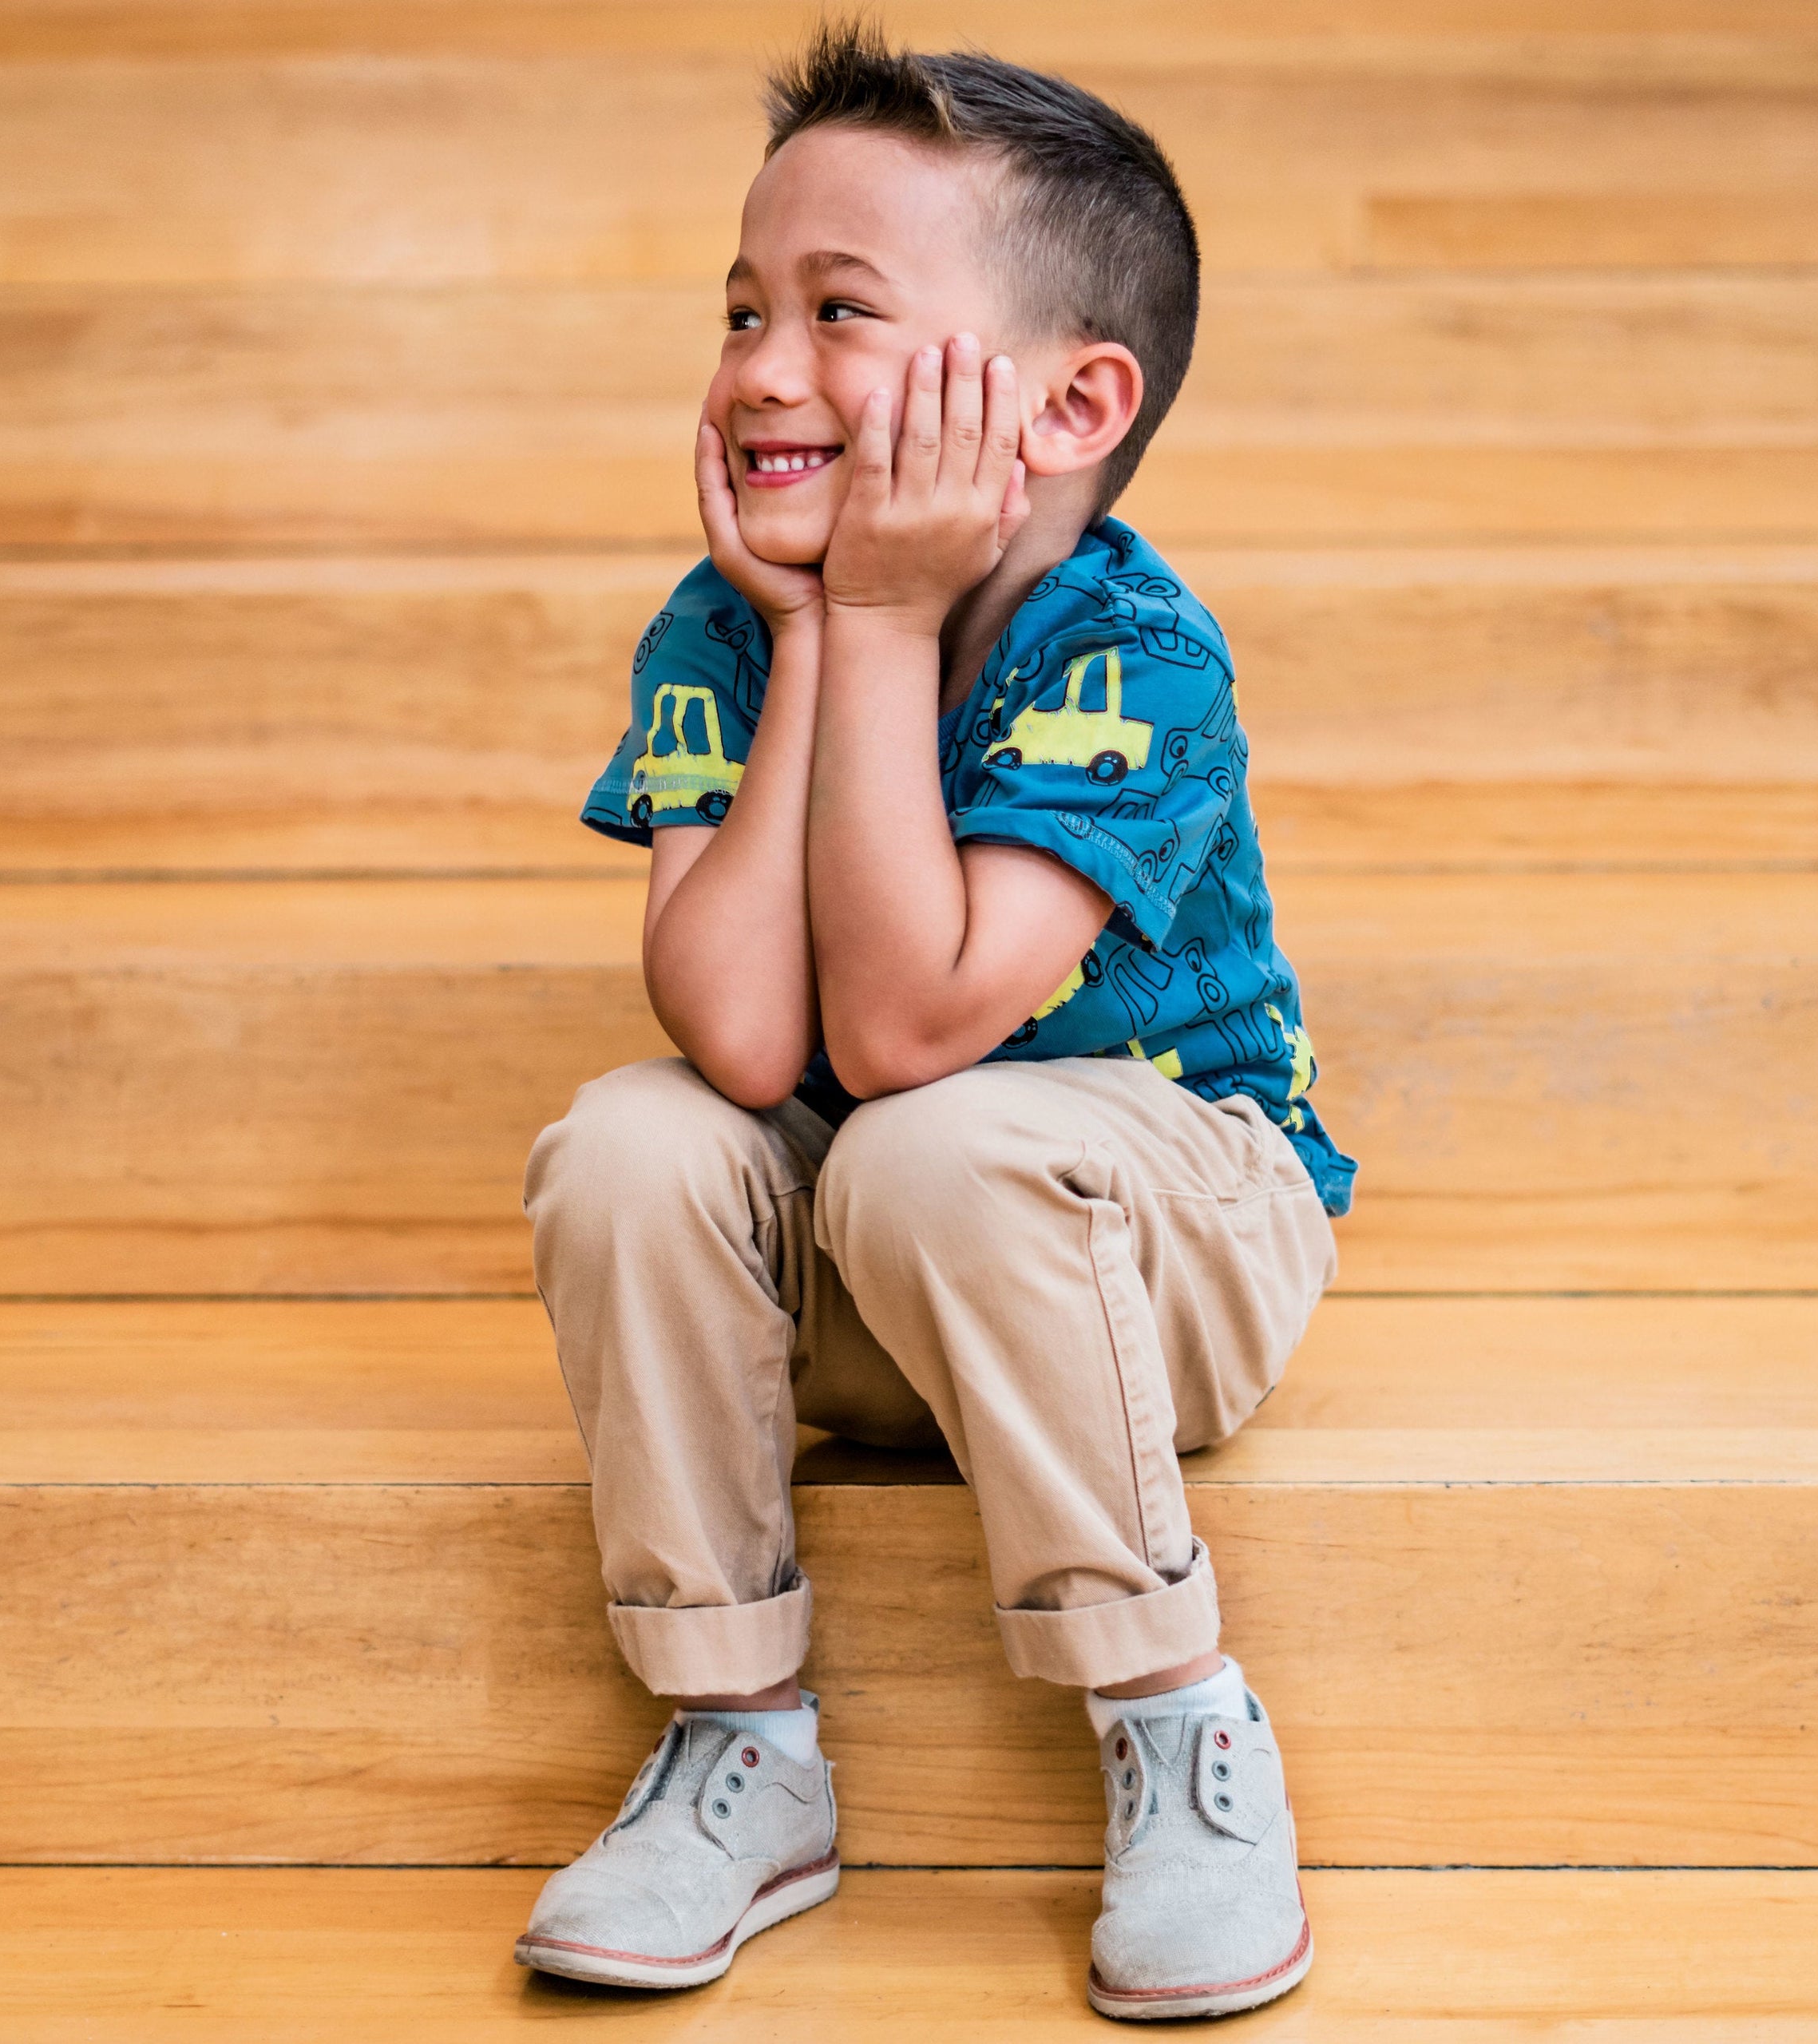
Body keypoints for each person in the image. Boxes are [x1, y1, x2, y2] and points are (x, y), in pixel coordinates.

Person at [514, 22, 1354, 2022]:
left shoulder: (1132, 651)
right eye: (742, 306)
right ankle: (743, 1743)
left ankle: (1173, 1712)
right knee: (629, 1134)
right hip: (892, 1281)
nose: (763, 368)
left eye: (841, 312)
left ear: (1071, 404)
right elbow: (737, 1034)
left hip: (1158, 1253)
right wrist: (820, 630)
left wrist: (887, 623)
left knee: (933, 1136)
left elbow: (901, 1032)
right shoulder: (721, 626)